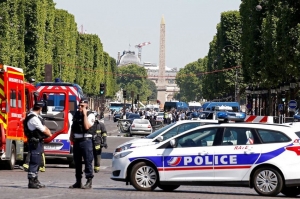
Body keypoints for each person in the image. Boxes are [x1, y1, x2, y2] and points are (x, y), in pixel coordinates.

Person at [23, 102, 52, 189]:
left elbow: (44, 127)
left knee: (37, 161)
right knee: (34, 161)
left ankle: (35, 179)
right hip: (35, 142)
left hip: (37, 142)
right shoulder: (33, 118)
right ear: (40, 109)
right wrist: (49, 133)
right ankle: (31, 181)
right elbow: (44, 130)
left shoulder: (34, 117)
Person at [69, 99, 95, 189]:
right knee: (77, 162)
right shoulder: (76, 114)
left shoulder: (90, 115)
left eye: (82, 106)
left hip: (86, 140)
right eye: (79, 105)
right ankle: (78, 181)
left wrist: (84, 114)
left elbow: (86, 126)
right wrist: (71, 135)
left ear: (86, 106)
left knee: (88, 161)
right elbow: (73, 125)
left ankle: (89, 181)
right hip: (77, 140)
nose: (80, 107)